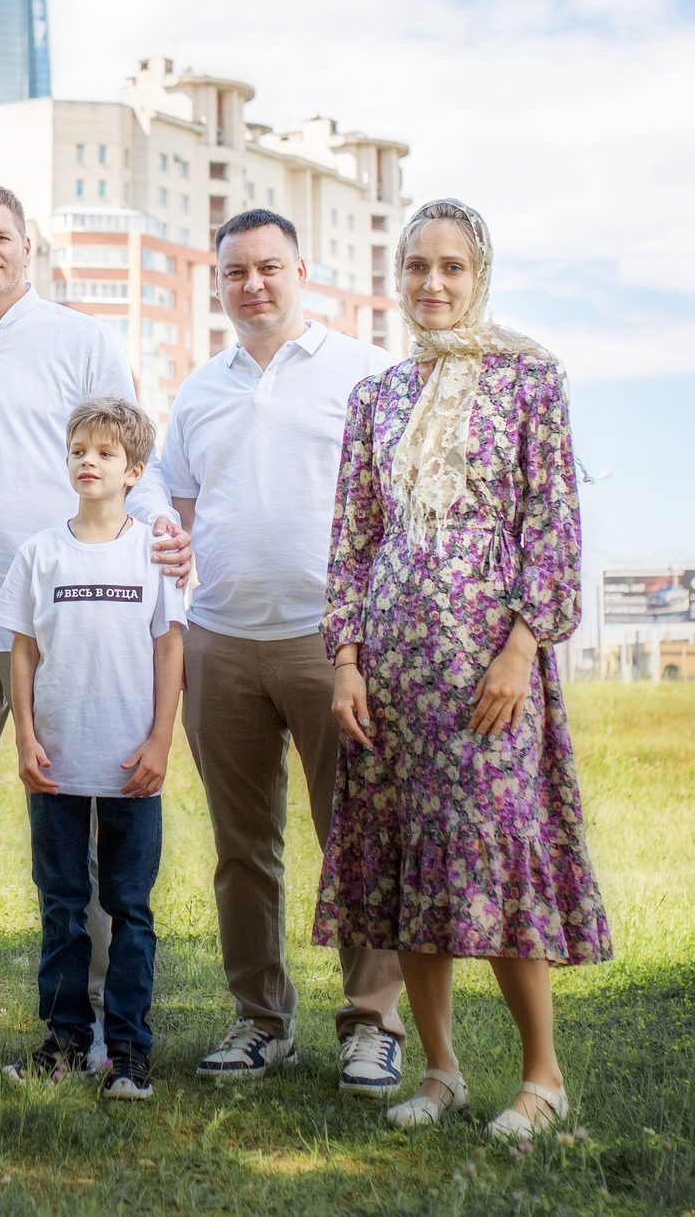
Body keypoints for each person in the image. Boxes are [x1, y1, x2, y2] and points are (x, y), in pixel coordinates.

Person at [316, 198, 609, 1142]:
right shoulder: (377, 398)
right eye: (416, 268)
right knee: (409, 867)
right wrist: (347, 661)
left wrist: (524, 648)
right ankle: (440, 1070)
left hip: (490, 668)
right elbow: (355, 539)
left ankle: (542, 1078)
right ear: (395, 278)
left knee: (496, 856)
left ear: (479, 275)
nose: (432, 284)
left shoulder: (529, 382)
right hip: (393, 670)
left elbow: (553, 526)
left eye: (451, 267)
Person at [0, 183, 192, 1054]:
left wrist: (165, 533)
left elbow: (138, 448)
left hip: (65, 625)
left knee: (88, 814)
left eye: (0, 236)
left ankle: (95, 1017)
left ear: (29, 246)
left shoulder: (82, 339)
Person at [158, 209, 409, 1091]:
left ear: (304, 271)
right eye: (235, 272)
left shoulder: (366, 372)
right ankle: (261, 1019)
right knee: (242, 846)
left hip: (332, 640)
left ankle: (372, 1022)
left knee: (357, 837)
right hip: (221, 639)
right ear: (217, 282)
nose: (253, 284)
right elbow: (167, 496)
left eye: (269, 267)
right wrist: (161, 534)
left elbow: (404, 502)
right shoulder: (199, 389)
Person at [0, 396, 185, 1103]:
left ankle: (131, 1049)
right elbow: (23, 649)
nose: (88, 461)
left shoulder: (153, 552)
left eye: (105, 452)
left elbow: (171, 647)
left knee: (130, 908)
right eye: (79, 449)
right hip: (58, 765)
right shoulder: (41, 552)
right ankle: (67, 1040)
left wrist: (162, 737)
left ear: (134, 469)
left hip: (132, 764)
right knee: (63, 907)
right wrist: (24, 732)